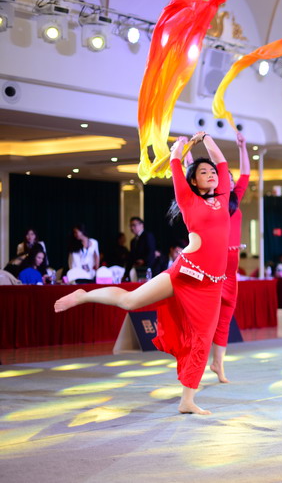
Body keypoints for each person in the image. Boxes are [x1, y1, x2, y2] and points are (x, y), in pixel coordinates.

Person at [54, 132, 230, 415]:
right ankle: (84, 295)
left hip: (211, 285)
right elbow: (175, 166)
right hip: (186, 272)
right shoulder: (188, 200)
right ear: (193, 182)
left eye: (212, 172)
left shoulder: (223, 198)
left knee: (202, 339)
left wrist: (207, 138)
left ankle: (187, 400)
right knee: (130, 301)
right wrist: (178, 149)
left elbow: (222, 162)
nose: (211, 174)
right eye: (203, 172)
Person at [210, 131, 250, 383]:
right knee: (208, 316)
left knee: (226, 315)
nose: (232, 181)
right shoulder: (210, 201)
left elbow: (246, 174)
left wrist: (242, 146)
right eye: (227, 178)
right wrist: (187, 156)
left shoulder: (235, 199)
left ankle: (218, 364)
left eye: (231, 178)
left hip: (231, 268)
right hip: (214, 265)